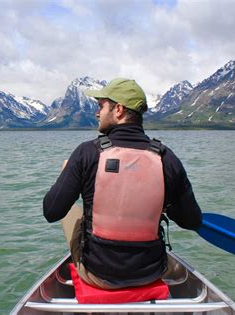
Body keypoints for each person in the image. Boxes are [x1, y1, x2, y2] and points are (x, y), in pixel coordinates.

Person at [43, 78, 202, 289]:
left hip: (98, 273)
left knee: (72, 210)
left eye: (101, 106)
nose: (97, 113)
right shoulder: (167, 158)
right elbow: (192, 221)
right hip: (151, 271)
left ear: (118, 109)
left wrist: (65, 175)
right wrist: (165, 204)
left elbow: (51, 211)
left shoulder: (86, 153)